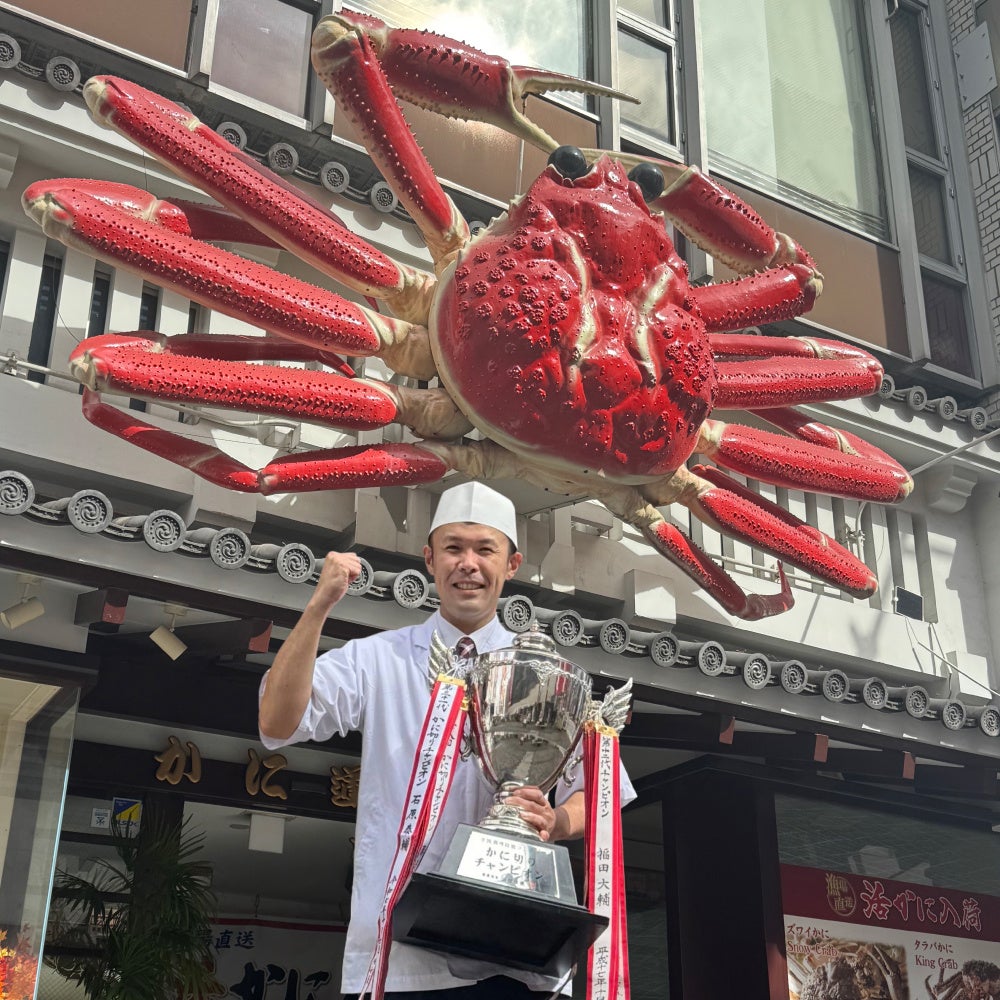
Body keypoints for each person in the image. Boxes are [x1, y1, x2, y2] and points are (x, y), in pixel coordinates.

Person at [259, 481, 633, 999]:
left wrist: (556, 820)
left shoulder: (546, 673)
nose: (468, 564)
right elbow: (277, 723)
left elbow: (602, 792)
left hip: (516, 959)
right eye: (453, 548)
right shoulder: (378, 659)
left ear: (512, 564)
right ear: (430, 559)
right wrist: (319, 606)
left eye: (485, 550)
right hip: (400, 961)